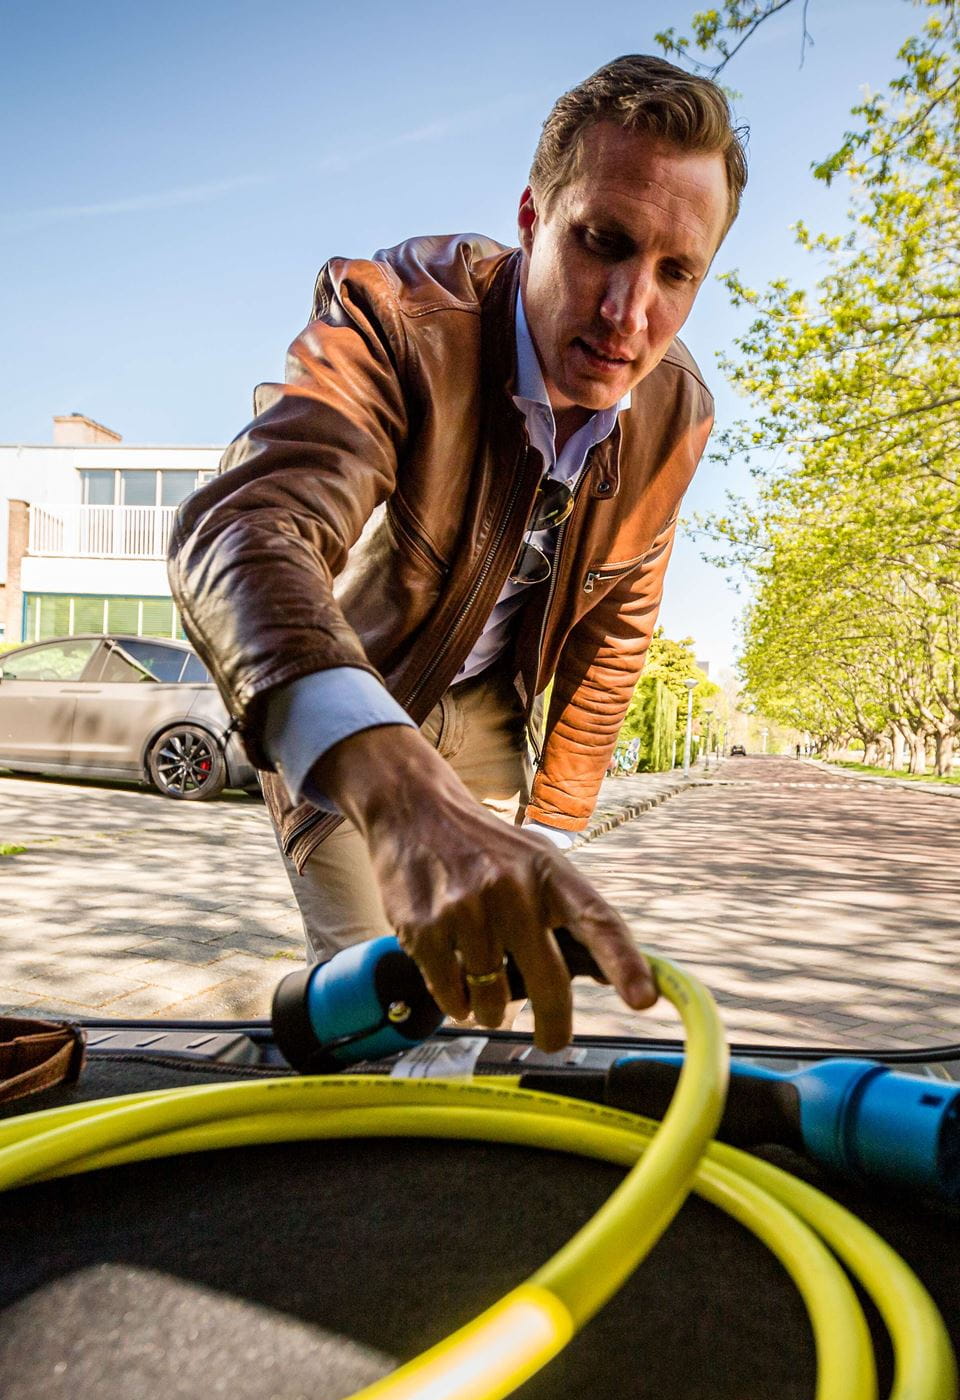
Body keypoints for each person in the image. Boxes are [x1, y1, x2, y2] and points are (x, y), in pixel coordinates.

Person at [170, 54, 747, 1052]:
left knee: (471, 1020)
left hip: (488, 723)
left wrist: (550, 832)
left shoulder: (679, 412)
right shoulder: (397, 311)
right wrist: (396, 792)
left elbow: (616, 632)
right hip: (355, 695)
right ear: (532, 217)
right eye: (603, 243)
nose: (628, 312)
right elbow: (242, 528)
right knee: (380, 1023)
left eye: (675, 272)